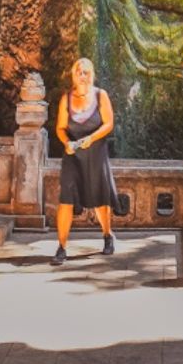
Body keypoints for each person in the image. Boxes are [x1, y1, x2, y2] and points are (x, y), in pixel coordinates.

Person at [52, 57, 117, 265]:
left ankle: (107, 235)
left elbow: (108, 124)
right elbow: (60, 128)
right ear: (73, 75)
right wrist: (66, 142)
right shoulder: (66, 99)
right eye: (79, 72)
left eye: (86, 72)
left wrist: (91, 138)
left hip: (96, 152)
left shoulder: (101, 95)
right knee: (66, 199)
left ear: (92, 75)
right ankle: (61, 247)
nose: (83, 75)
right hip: (73, 155)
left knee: (100, 199)